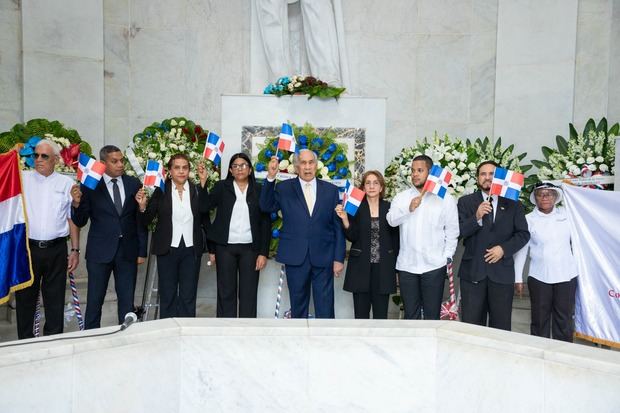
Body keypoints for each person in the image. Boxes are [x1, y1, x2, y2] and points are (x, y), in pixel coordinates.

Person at [259, 149, 345, 318]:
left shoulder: (331, 190)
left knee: (326, 305)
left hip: (324, 256)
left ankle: (325, 341)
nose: (307, 167)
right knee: (298, 306)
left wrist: (338, 258)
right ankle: (298, 342)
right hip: (295, 256)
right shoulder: (284, 188)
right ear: (297, 166)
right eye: (303, 163)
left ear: (316, 165)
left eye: (310, 162)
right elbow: (265, 206)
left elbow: (337, 227)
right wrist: (270, 178)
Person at [71, 145, 147, 329]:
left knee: (127, 302)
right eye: (115, 161)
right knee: (95, 299)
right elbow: (80, 221)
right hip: (99, 252)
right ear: (103, 163)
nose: (120, 164)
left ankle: (125, 337)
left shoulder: (133, 183)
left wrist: (142, 250)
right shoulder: (90, 185)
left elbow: (139, 221)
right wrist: (76, 203)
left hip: (128, 252)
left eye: (122, 160)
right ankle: (90, 338)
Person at [15, 139, 80, 339]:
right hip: (28, 249)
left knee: (54, 300)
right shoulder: (21, 178)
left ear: (56, 159)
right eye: (36, 155)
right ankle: (24, 343)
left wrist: (75, 250)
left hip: (56, 249)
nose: (39, 159)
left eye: (44, 156)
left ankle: (53, 342)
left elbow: (72, 219)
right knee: (25, 299)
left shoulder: (66, 183)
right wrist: (11, 155)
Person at [457, 160, 530, 331]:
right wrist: (476, 217)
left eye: (491, 174)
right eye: (483, 174)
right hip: (473, 272)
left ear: (498, 178)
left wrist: (503, 249)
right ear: (477, 179)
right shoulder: (465, 202)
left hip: (502, 274)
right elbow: (458, 232)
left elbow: (523, 234)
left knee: (501, 326)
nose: (487, 178)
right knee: (472, 326)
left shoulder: (513, 203)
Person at [197, 153, 271, 318]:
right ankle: (225, 330)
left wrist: (263, 253)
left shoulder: (258, 189)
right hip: (225, 248)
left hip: (251, 249)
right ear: (230, 170)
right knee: (226, 292)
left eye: (243, 165)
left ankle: (247, 331)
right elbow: (203, 208)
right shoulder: (221, 187)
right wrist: (203, 182)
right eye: (235, 166)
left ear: (250, 169)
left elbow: (265, 222)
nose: (239, 168)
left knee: (249, 293)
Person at [386, 156, 459, 320]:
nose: (415, 174)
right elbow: (391, 221)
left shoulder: (445, 199)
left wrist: (446, 256)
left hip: (434, 266)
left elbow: (453, 230)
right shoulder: (402, 197)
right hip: (407, 266)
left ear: (430, 173)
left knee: (432, 316)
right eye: (413, 171)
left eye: (420, 170)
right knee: (410, 315)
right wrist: (408, 208)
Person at [136, 154, 204, 319]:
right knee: (168, 294)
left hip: (191, 249)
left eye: (185, 167)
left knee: (188, 294)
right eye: (177, 167)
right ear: (169, 171)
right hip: (167, 249)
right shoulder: (161, 191)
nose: (181, 171)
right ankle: (168, 332)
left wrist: (203, 185)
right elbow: (146, 220)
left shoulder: (196, 190)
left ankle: (187, 330)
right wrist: (143, 206)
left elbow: (205, 214)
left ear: (189, 170)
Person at [513, 182, 578, 342]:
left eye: (548, 194)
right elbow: (521, 251)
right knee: (539, 319)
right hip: (539, 276)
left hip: (567, 275)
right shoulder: (528, 219)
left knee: (564, 319)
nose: (545, 197)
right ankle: (539, 351)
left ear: (555, 197)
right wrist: (518, 278)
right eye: (540, 194)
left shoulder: (567, 214)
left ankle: (563, 354)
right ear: (535, 198)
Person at [335, 170, 399, 319]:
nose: (371, 186)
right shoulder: (355, 208)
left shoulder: (390, 208)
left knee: (381, 316)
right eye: (368, 183)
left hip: (383, 269)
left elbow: (396, 240)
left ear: (381, 187)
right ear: (363, 188)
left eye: (375, 183)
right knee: (360, 316)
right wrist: (345, 219)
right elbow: (353, 236)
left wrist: (396, 269)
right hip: (360, 268)